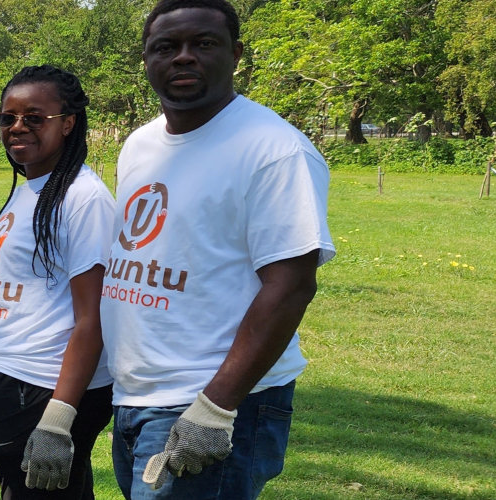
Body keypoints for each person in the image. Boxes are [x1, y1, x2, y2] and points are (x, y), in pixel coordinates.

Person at [107, 1, 334, 498]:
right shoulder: (139, 144)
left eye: (202, 44)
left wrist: (216, 407)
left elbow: (292, 285)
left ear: (236, 54)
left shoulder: (273, 150)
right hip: (137, 396)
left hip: (212, 400)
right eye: (165, 47)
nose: (182, 57)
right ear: (146, 59)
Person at [0, 65, 116, 498]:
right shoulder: (31, 186)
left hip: (45, 385)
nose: (17, 127)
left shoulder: (82, 198)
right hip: (12, 379)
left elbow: (93, 319)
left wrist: (58, 418)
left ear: (68, 123)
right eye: (7, 117)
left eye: (34, 117)